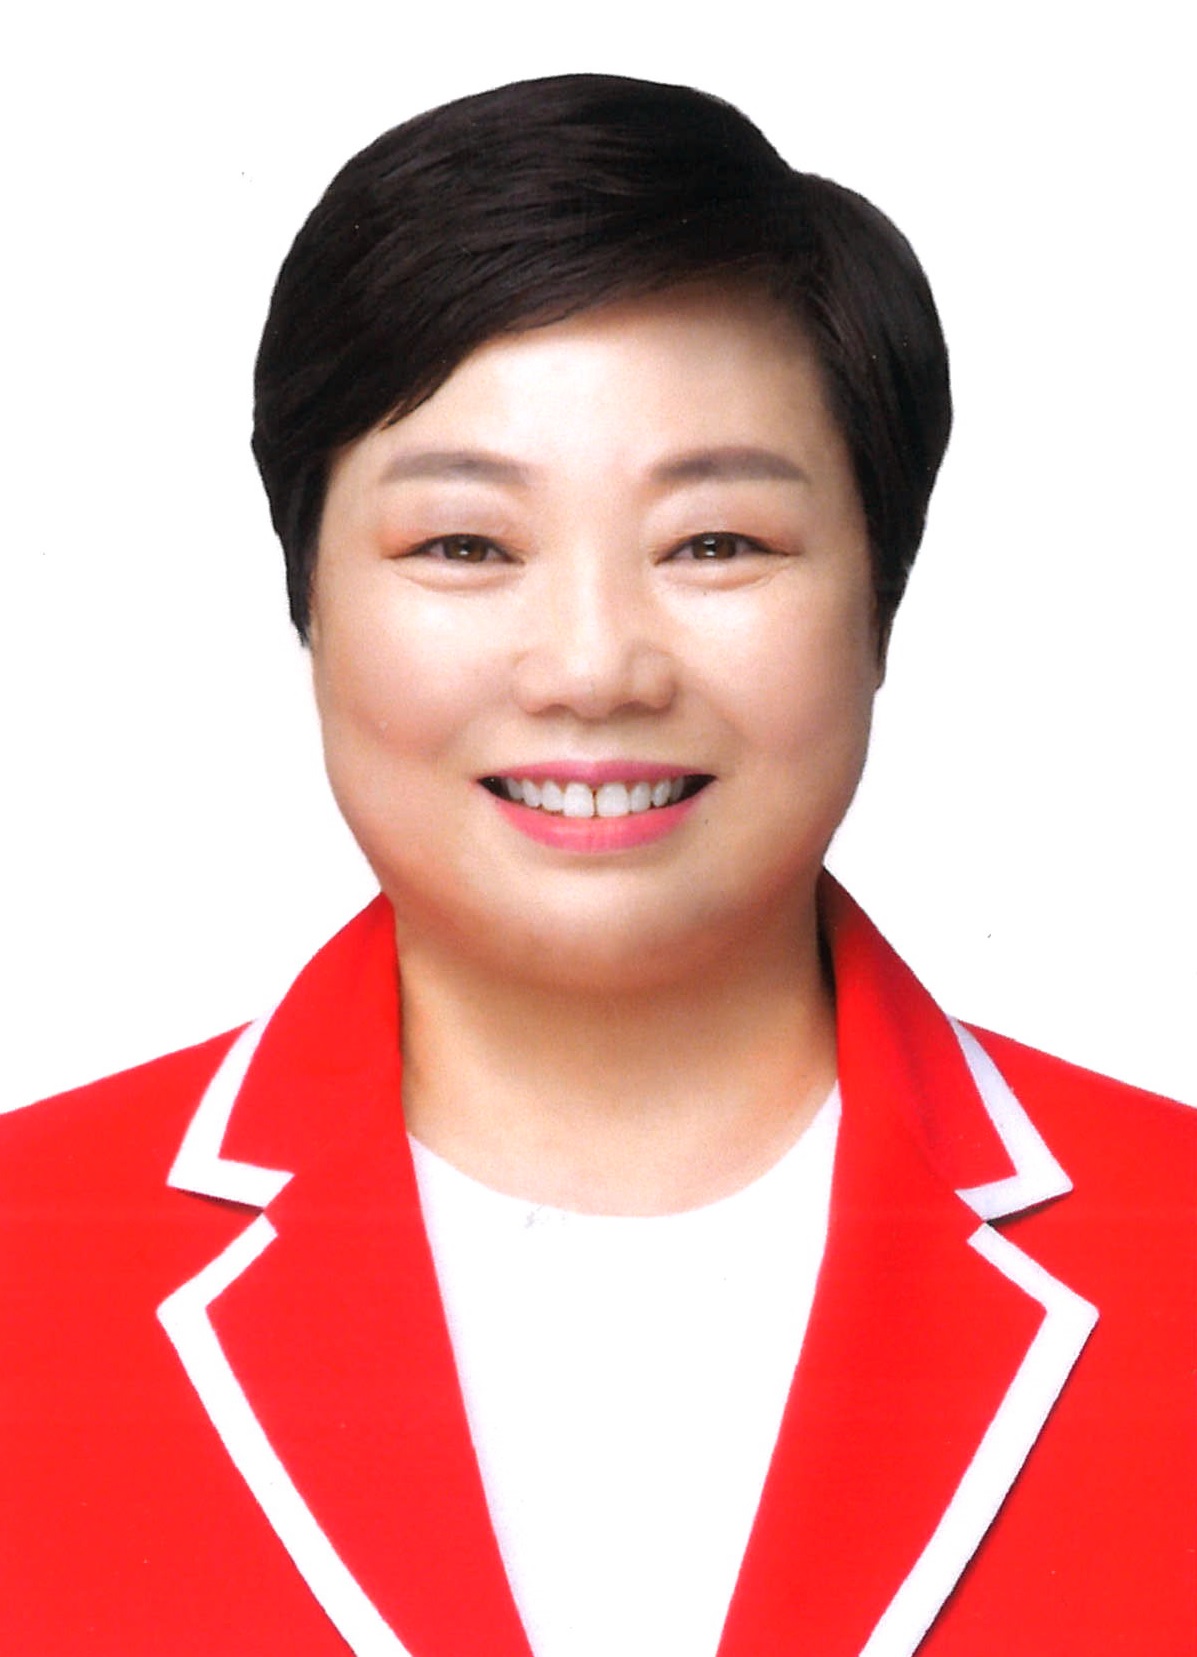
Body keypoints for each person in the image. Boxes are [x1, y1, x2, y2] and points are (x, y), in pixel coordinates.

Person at [1, 74, 1192, 1657]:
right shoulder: (32, 1263)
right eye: (464, 545)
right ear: (308, 602)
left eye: (715, 543)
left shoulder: (1170, 1251)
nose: (590, 666)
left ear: (879, 603)